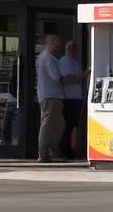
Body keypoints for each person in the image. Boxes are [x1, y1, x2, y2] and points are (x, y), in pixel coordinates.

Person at [35, 34, 65, 163]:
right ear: (51, 44)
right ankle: (44, 153)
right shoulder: (48, 58)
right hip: (50, 96)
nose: (59, 47)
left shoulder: (42, 57)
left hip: (48, 95)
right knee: (48, 125)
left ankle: (51, 152)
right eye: (57, 44)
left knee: (56, 125)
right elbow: (56, 76)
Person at [57, 39, 86, 160]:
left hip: (76, 98)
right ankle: (64, 150)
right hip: (69, 98)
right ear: (69, 49)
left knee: (72, 125)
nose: (76, 51)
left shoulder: (74, 62)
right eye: (74, 48)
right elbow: (67, 79)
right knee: (67, 126)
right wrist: (84, 74)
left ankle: (70, 149)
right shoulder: (65, 62)